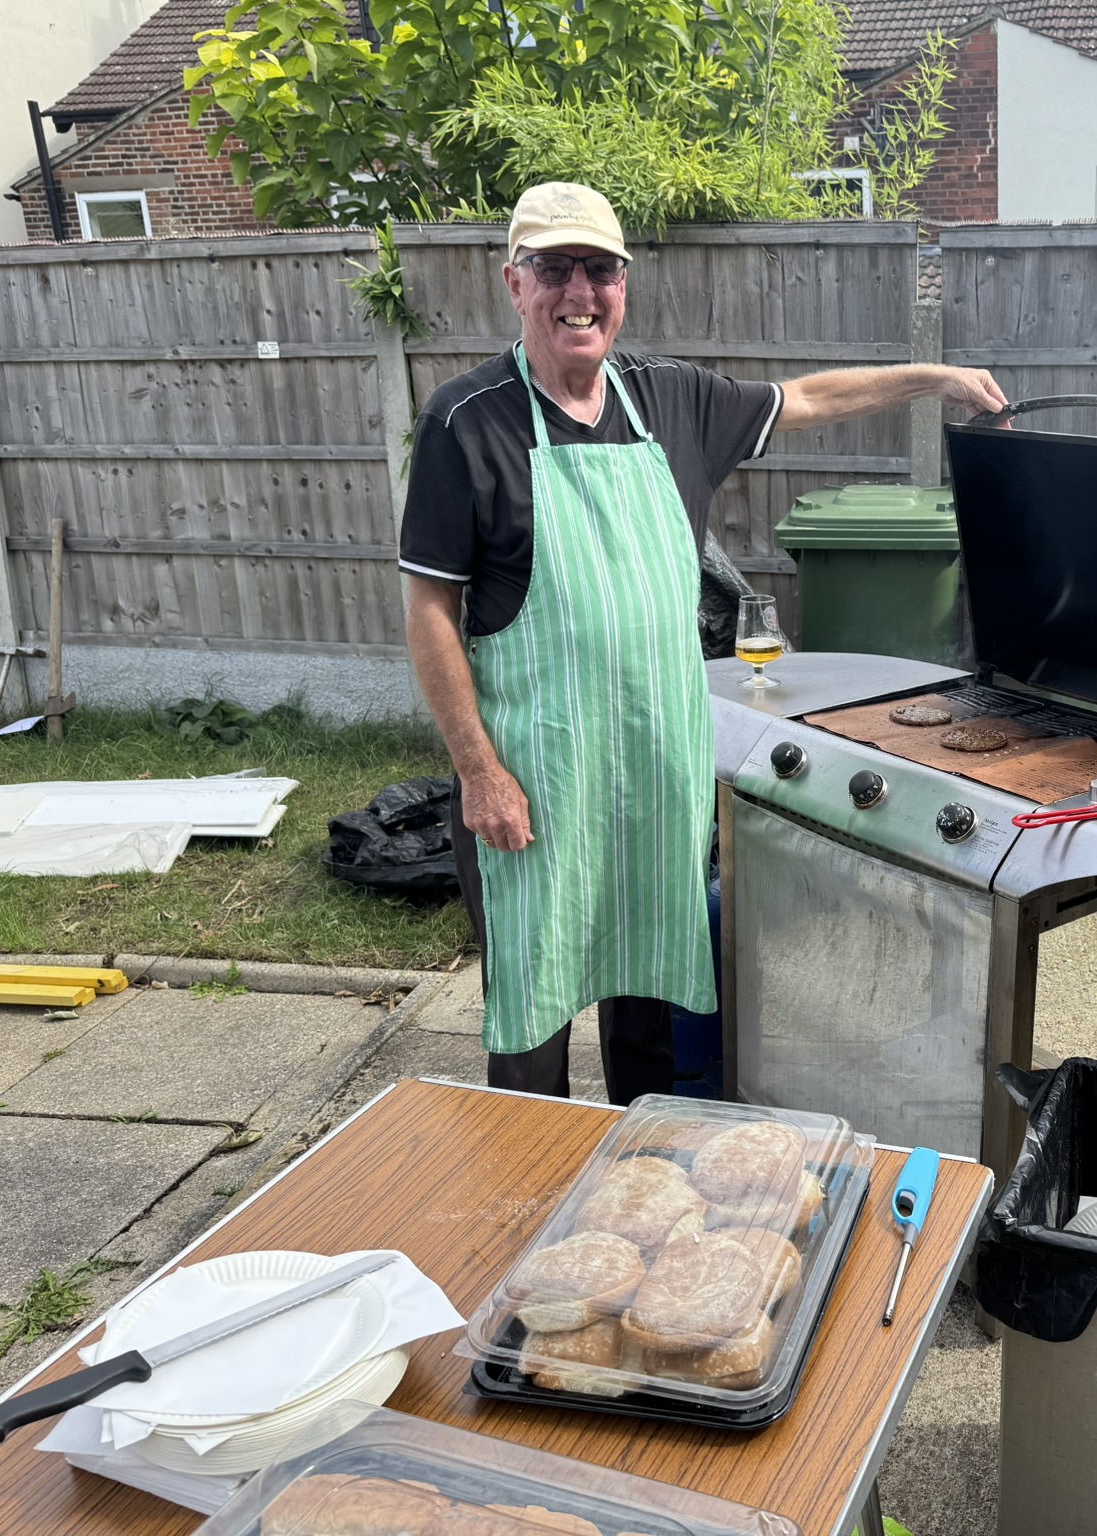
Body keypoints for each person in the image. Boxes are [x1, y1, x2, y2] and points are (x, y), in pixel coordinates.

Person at [399, 182, 1005, 1102]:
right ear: (513, 284)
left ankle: (637, 1179)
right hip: (536, 778)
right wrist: (480, 771)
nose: (579, 291)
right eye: (554, 269)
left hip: (653, 771)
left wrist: (934, 379)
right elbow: (430, 612)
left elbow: (807, 398)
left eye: (599, 270)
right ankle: (525, 1202)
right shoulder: (463, 421)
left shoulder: (671, 399)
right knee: (532, 1025)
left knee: (648, 1012)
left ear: (623, 286)